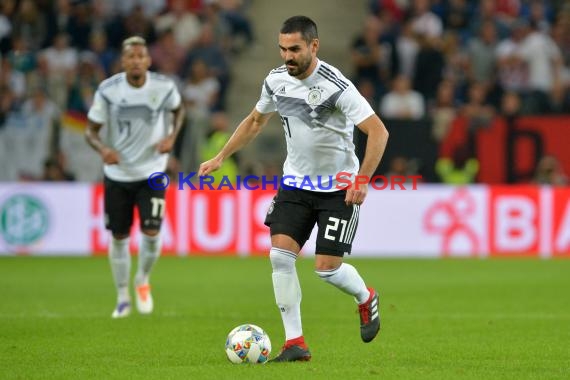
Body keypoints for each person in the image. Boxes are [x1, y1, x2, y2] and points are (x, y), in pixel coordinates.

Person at [199, 16, 389, 362]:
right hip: (295, 185)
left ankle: (365, 297)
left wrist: (362, 179)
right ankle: (295, 343)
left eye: (295, 49)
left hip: (338, 188)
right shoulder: (275, 81)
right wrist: (221, 156)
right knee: (279, 256)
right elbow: (256, 121)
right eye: (283, 48)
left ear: (313, 46)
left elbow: (378, 132)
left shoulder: (337, 86)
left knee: (326, 269)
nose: (287, 56)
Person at [85, 36, 185, 319]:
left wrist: (171, 138)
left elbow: (179, 111)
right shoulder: (108, 91)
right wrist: (102, 148)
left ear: (148, 61)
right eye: (131, 57)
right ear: (123, 61)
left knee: (152, 232)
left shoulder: (164, 87)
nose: (136, 61)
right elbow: (90, 130)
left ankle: (142, 279)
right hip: (117, 173)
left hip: (152, 171)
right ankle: (121, 296)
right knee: (119, 236)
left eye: (141, 56)